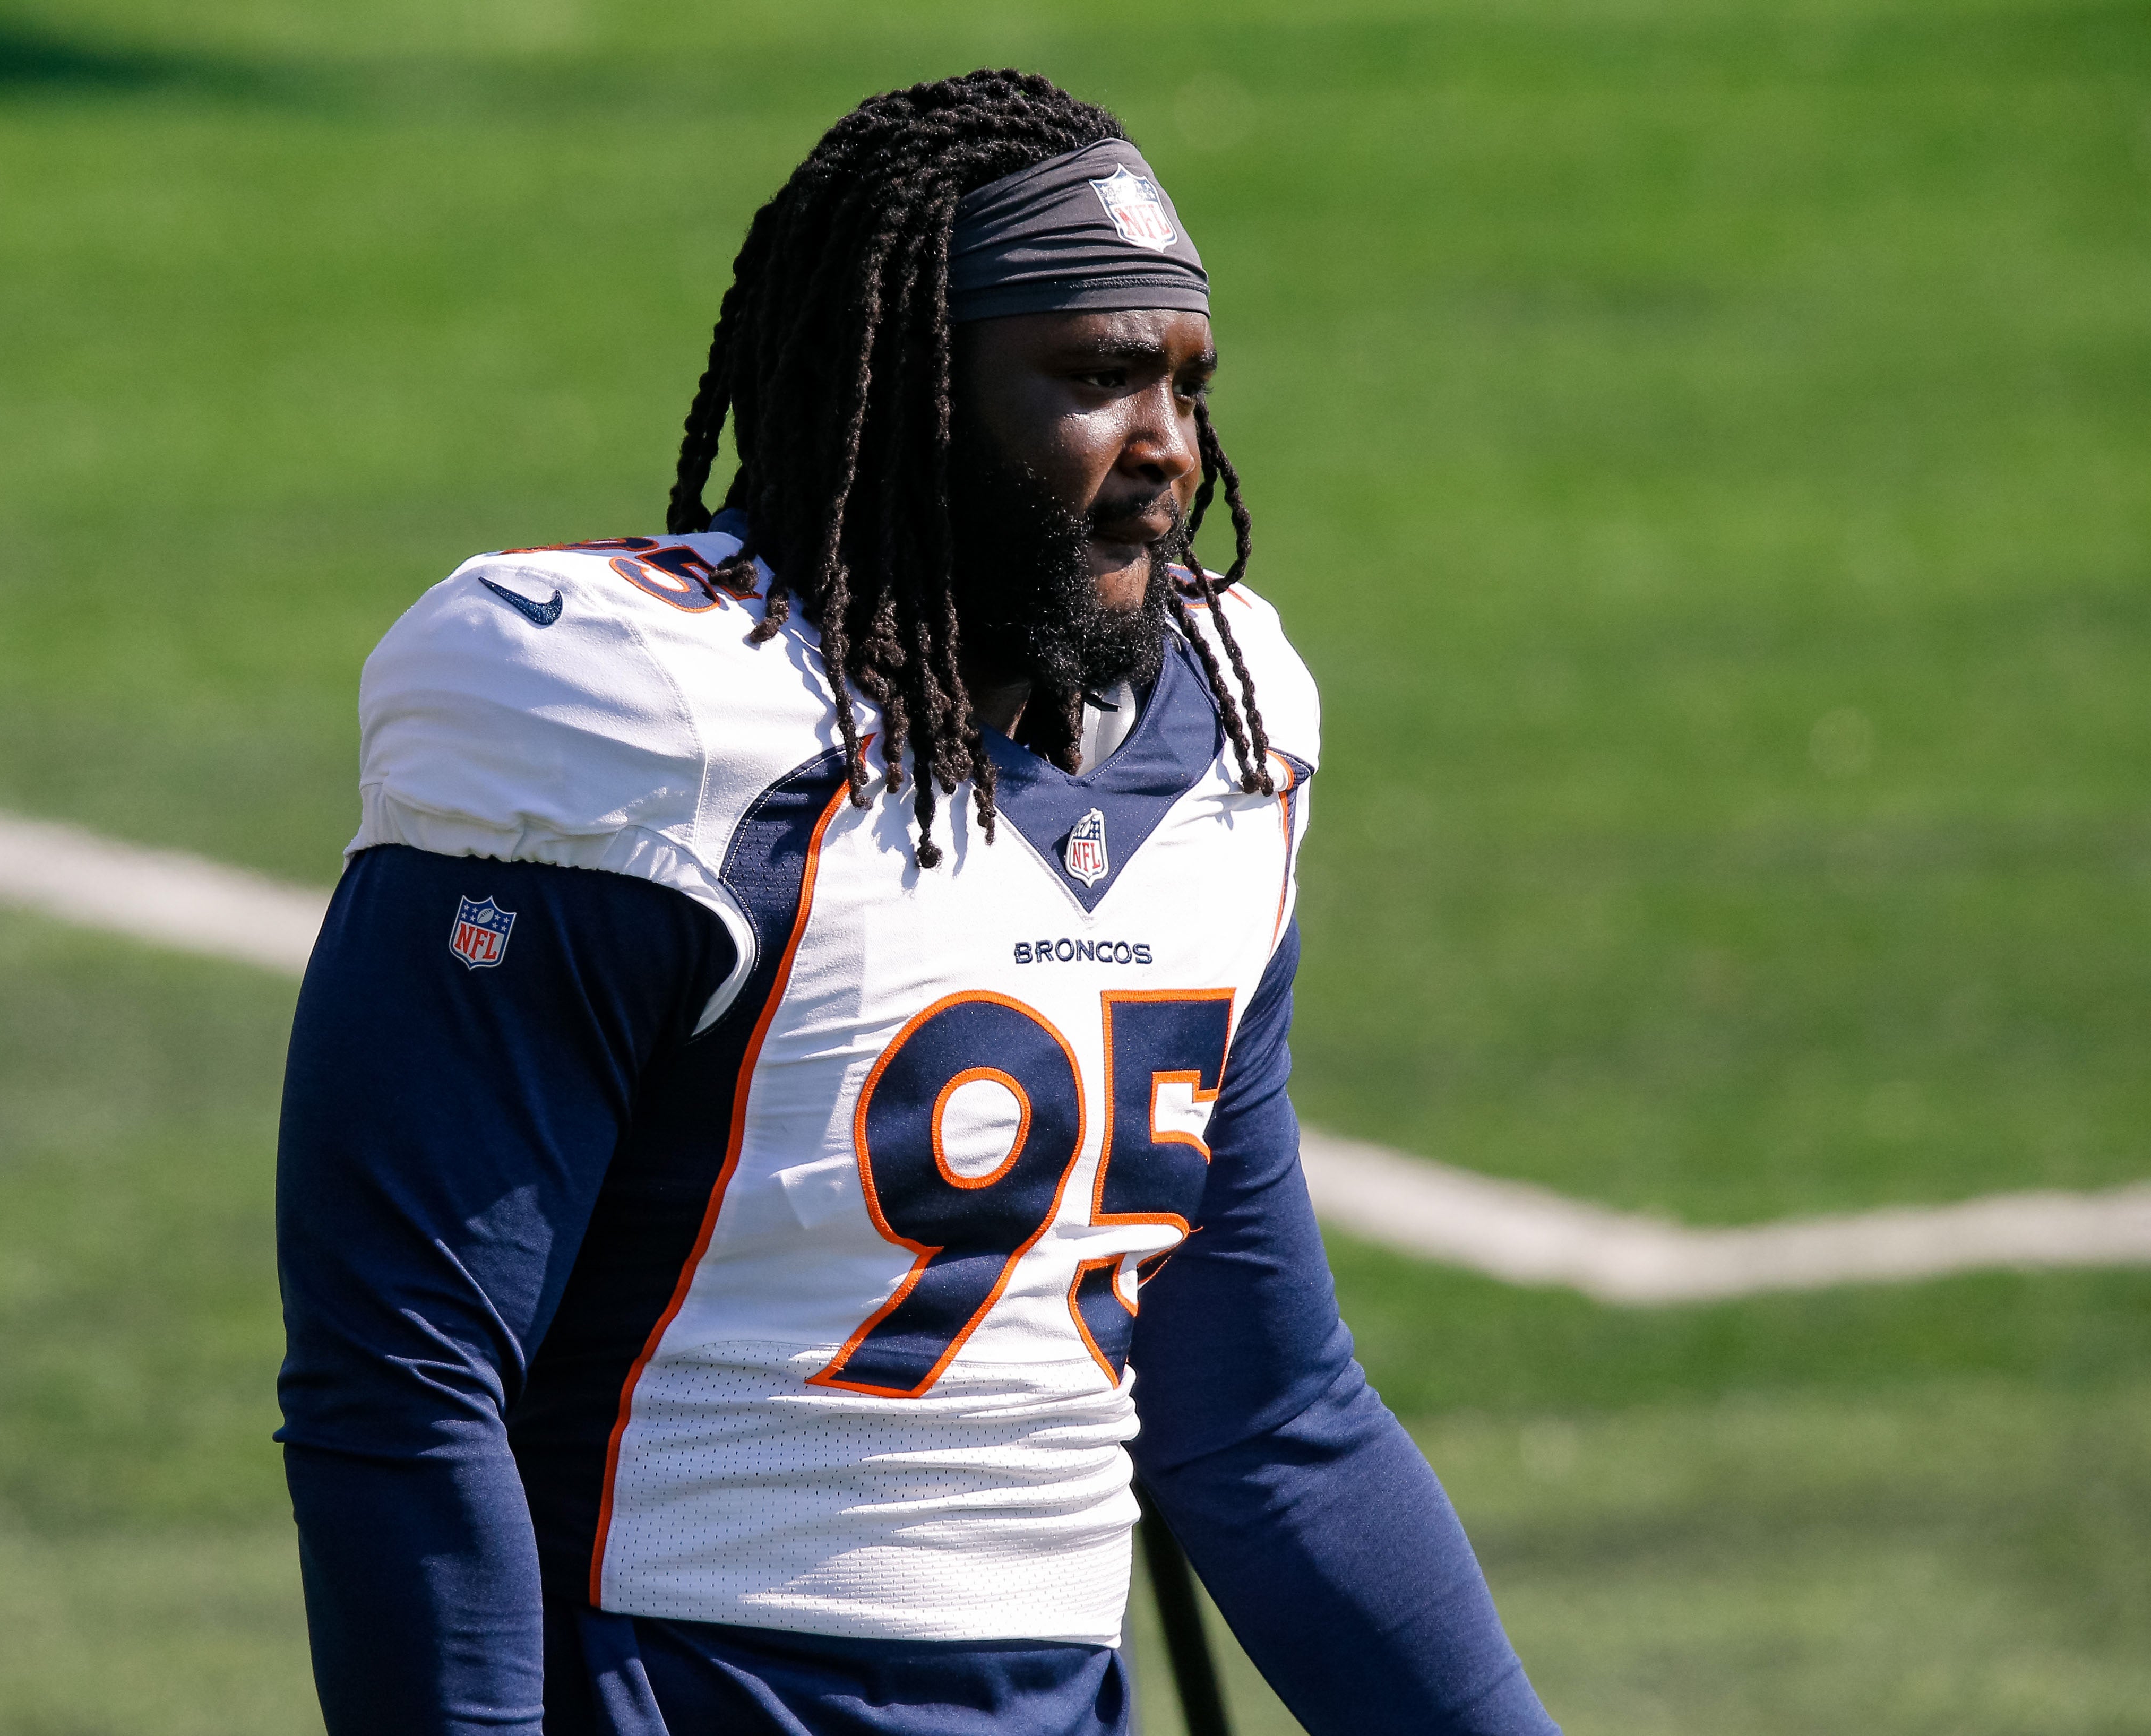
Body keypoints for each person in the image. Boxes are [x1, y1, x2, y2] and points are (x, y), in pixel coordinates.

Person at [274, 68, 1556, 1736]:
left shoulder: (1231, 740)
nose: (1166, 449)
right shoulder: (642, 716)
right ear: (905, 403)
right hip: (675, 1684)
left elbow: (1260, 1414)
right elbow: (405, 1383)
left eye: (1183, 383)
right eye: (1095, 380)